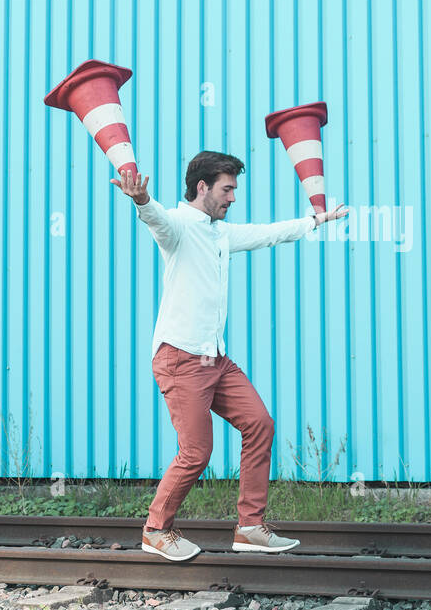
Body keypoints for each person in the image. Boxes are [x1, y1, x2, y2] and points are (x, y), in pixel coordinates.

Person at [112, 151, 348, 561]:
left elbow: (268, 233)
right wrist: (141, 201)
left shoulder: (221, 233)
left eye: (235, 189)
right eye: (227, 189)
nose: (233, 197)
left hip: (214, 359)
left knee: (259, 423)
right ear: (202, 187)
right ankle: (155, 529)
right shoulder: (178, 225)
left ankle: (251, 527)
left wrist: (316, 220)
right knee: (196, 452)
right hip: (181, 358)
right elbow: (156, 222)